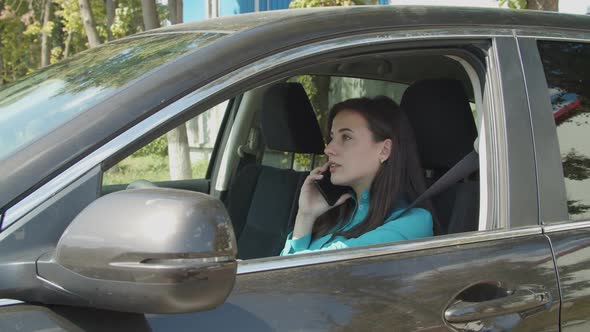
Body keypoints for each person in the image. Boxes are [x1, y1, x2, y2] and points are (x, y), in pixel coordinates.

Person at [280, 96, 434, 255]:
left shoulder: (412, 224)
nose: (328, 149)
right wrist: (306, 215)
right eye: (332, 137)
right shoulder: (336, 214)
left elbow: (306, 271)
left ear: (385, 150)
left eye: (346, 137)